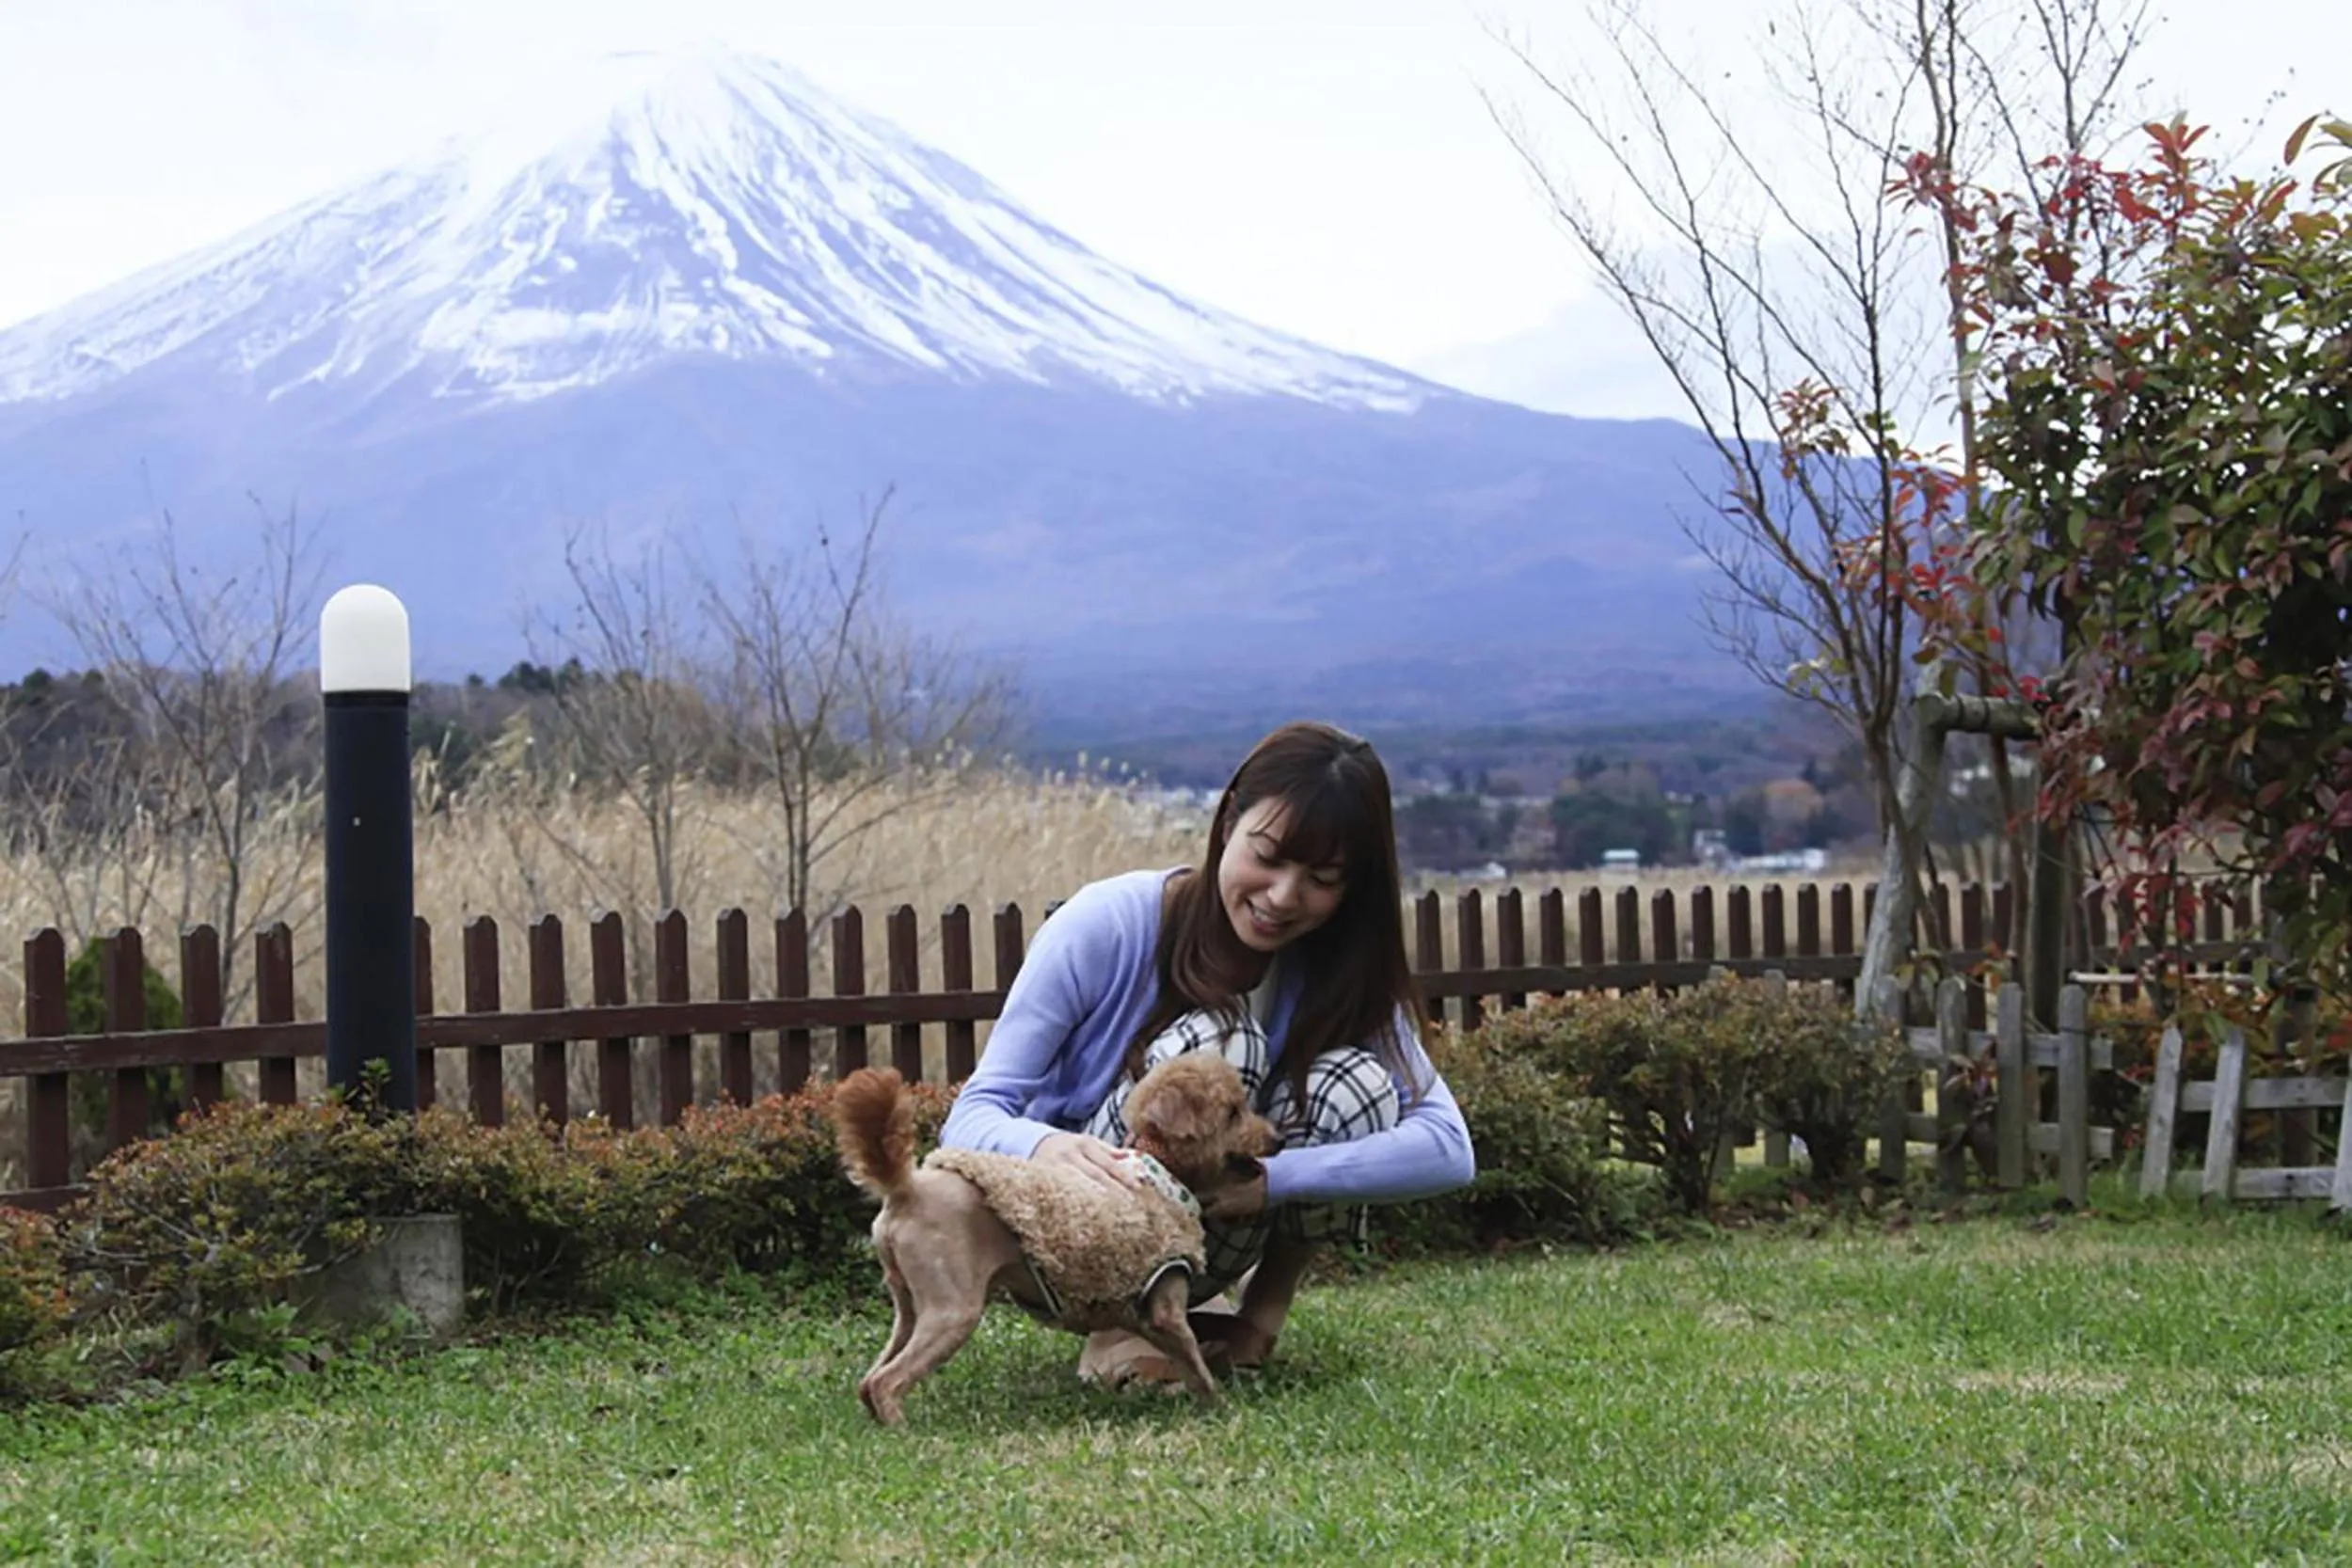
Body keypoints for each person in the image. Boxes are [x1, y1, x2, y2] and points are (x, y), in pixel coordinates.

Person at [938, 720, 1476, 1386]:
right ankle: (1118, 1323)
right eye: (1268, 856)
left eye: (1321, 877)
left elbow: (1449, 1148)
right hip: (1073, 1231)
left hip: (1218, 1227)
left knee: (1356, 1084)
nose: (1283, 896)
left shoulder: (1339, 969)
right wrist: (1047, 1145)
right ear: (1227, 823)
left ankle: (1250, 1321)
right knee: (1223, 1045)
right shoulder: (1108, 922)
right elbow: (970, 1117)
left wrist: (1277, 1179)